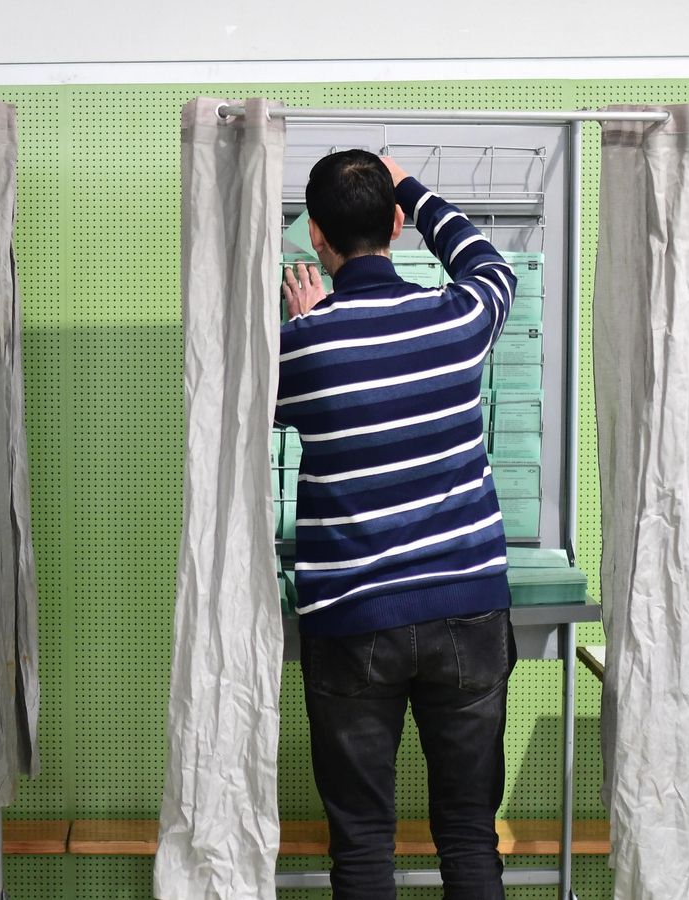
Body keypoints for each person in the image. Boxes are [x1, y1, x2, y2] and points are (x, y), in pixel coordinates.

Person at [276, 151, 519, 900]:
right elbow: (490, 264)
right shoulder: (460, 316)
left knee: (361, 845)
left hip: (352, 621)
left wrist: (308, 323)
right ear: (396, 225)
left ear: (314, 236)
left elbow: (254, 411)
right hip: (468, 613)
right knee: (471, 835)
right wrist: (409, 186)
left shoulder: (301, 347)